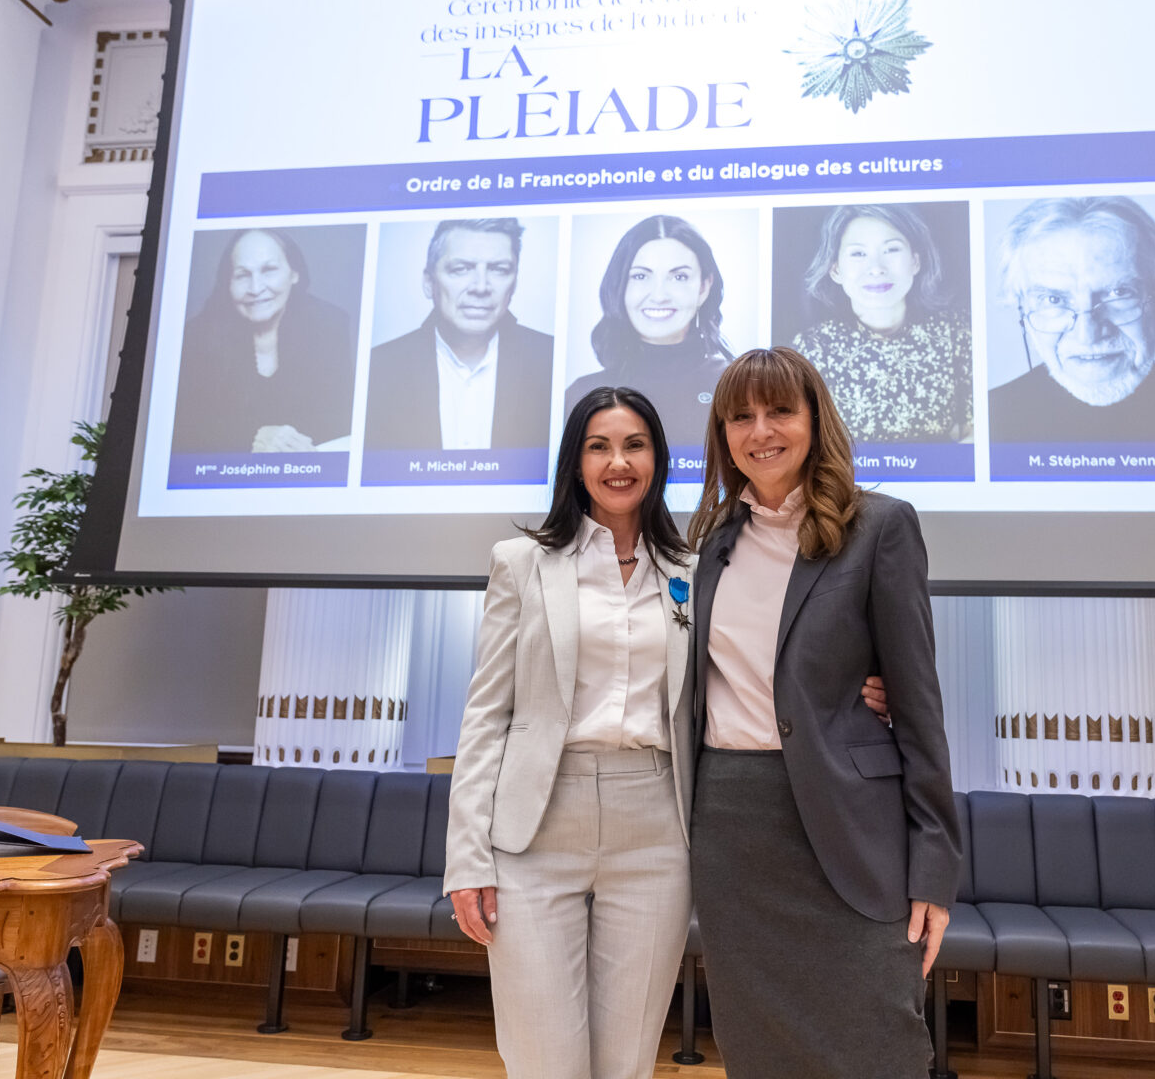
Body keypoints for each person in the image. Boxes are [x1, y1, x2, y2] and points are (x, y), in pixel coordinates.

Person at [445, 385, 891, 1079]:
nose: (617, 462)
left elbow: (759, 658)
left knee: (625, 1061)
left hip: (655, 827)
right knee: (542, 1060)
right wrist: (466, 857)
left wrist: (859, 689)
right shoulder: (521, 564)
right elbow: (486, 716)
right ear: (574, 463)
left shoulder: (695, 567)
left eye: (634, 445)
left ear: (658, 460)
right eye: (598, 446)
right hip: (533, 830)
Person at [685, 346, 963, 1078]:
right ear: (722, 436)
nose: (760, 430)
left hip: (849, 825)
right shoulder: (707, 543)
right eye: (739, 416)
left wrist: (934, 863)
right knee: (757, 1042)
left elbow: (918, 704)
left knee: (876, 1033)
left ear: (815, 419)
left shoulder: (880, 527)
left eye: (779, 409)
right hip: (732, 828)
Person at [988, 196, 1155, 443]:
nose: (1087, 334)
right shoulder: (987, 420)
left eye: (1119, 293)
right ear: (1022, 312)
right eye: (1053, 300)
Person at [364, 218, 554, 453]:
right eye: (460, 269)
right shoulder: (378, 367)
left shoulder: (551, 360)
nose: (481, 287)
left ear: (514, 284)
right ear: (428, 282)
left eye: (499, 270)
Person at [793, 204, 972, 442]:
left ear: (915, 262)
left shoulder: (956, 331)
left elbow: (974, 432)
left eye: (891, 250)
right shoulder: (812, 348)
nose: (876, 268)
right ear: (835, 270)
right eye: (858, 254)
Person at [172, 228, 356, 454]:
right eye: (242, 275)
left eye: (268, 270)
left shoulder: (329, 325)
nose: (256, 288)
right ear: (227, 283)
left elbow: (340, 423)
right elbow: (185, 434)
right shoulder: (195, 339)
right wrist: (249, 439)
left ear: (294, 274)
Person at [565, 215, 733, 448]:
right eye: (641, 276)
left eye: (679, 276)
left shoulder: (734, 385)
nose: (659, 295)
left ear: (704, 287)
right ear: (620, 287)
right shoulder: (581, 394)